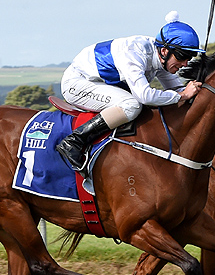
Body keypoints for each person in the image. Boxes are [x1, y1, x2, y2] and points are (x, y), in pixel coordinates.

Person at [55, 11, 205, 171]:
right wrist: (182, 95)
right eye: (183, 57)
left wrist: (196, 92)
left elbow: (176, 89)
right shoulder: (135, 54)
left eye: (190, 57)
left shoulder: (161, 57)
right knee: (131, 105)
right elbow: (145, 96)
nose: (185, 63)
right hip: (78, 83)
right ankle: (74, 141)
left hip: (99, 82)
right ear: (164, 51)